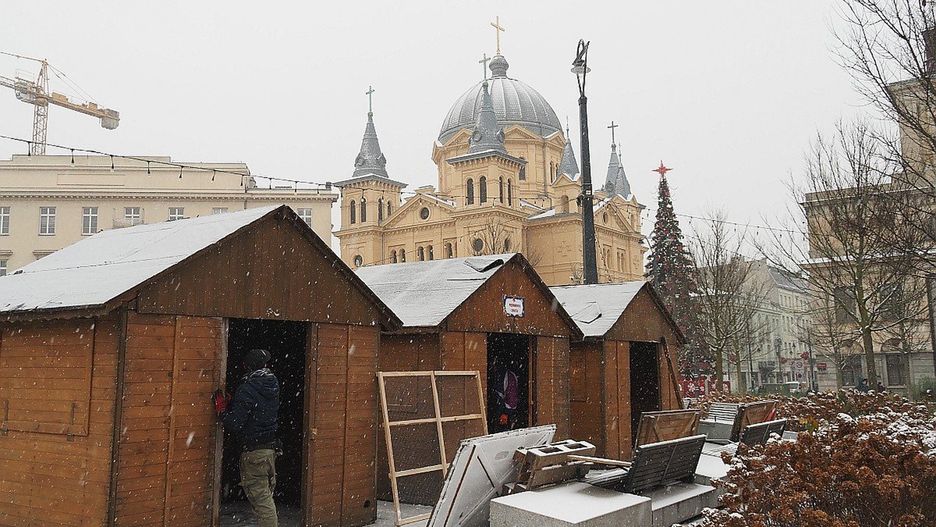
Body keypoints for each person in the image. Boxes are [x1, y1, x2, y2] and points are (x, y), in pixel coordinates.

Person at [215, 349, 280, 527]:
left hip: (254, 452)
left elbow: (236, 423)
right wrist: (235, 403)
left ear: (246, 367)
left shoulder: (248, 388)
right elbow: (257, 411)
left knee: (261, 501)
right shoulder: (271, 383)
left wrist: (222, 411)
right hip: (268, 450)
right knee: (265, 497)